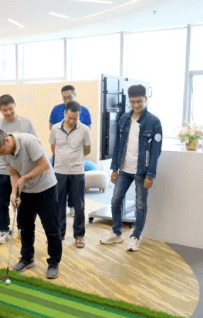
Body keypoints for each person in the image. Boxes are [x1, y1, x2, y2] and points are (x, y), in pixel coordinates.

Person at [0, 129, 62, 279]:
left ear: (7, 140)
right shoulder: (4, 153)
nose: (2, 155)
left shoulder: (28, 141)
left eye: (2, 151)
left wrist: (24, 178)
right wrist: (14, 193)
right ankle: (27, 258)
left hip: (46, 188)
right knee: (25, 226)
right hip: (27, 190)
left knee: (51, 228)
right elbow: (14, 174)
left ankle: (54, 263)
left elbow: (44, 165)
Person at [100, 84, 163, 252]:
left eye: (139, 101)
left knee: (140, 204)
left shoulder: (154, 122)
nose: (136, 105)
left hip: (142, 171)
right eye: (133, 102)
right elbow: (117, 145)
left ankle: (135, 236)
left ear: (145, 99)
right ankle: (117, 233)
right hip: (124, 169)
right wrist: (114, 168)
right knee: (115, 200)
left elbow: (155, 151)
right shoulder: (124, 119)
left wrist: (150, 174)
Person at [0, 94, 38, 244]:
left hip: (22, 170)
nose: (8, 112)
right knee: (2, 202)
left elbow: (35, 143)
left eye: (11, 108)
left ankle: (22, 228)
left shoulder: (26, 123)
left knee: (22, 202)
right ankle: (3, 230)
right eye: (4, 110)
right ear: (0, 110)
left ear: (15, 106)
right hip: (3, 170)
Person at [50, 101, 91, 248]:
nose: (72, 121)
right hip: (59, 172)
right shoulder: (55, 128)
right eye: (69, 118)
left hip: (77, 172)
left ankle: (79, 236)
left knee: (79, 205)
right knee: (58, 204)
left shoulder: (84, 129)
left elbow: (87, 150)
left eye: (75, 118)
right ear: (64, 114)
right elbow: (53, 147)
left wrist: (74, 158)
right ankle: (60, 232)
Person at [49, 84, 92, 215]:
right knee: (59, 193)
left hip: (76, 161)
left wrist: (76, 154)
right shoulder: (56, 110)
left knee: (77, 194)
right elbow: (52, 136)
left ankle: (72, 205)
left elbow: (87, 142)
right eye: (65, 98)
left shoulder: (84, 111)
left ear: (75, 95)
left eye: (70, 97)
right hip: (60, 159)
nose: (67, 100)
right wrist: (60, 153)